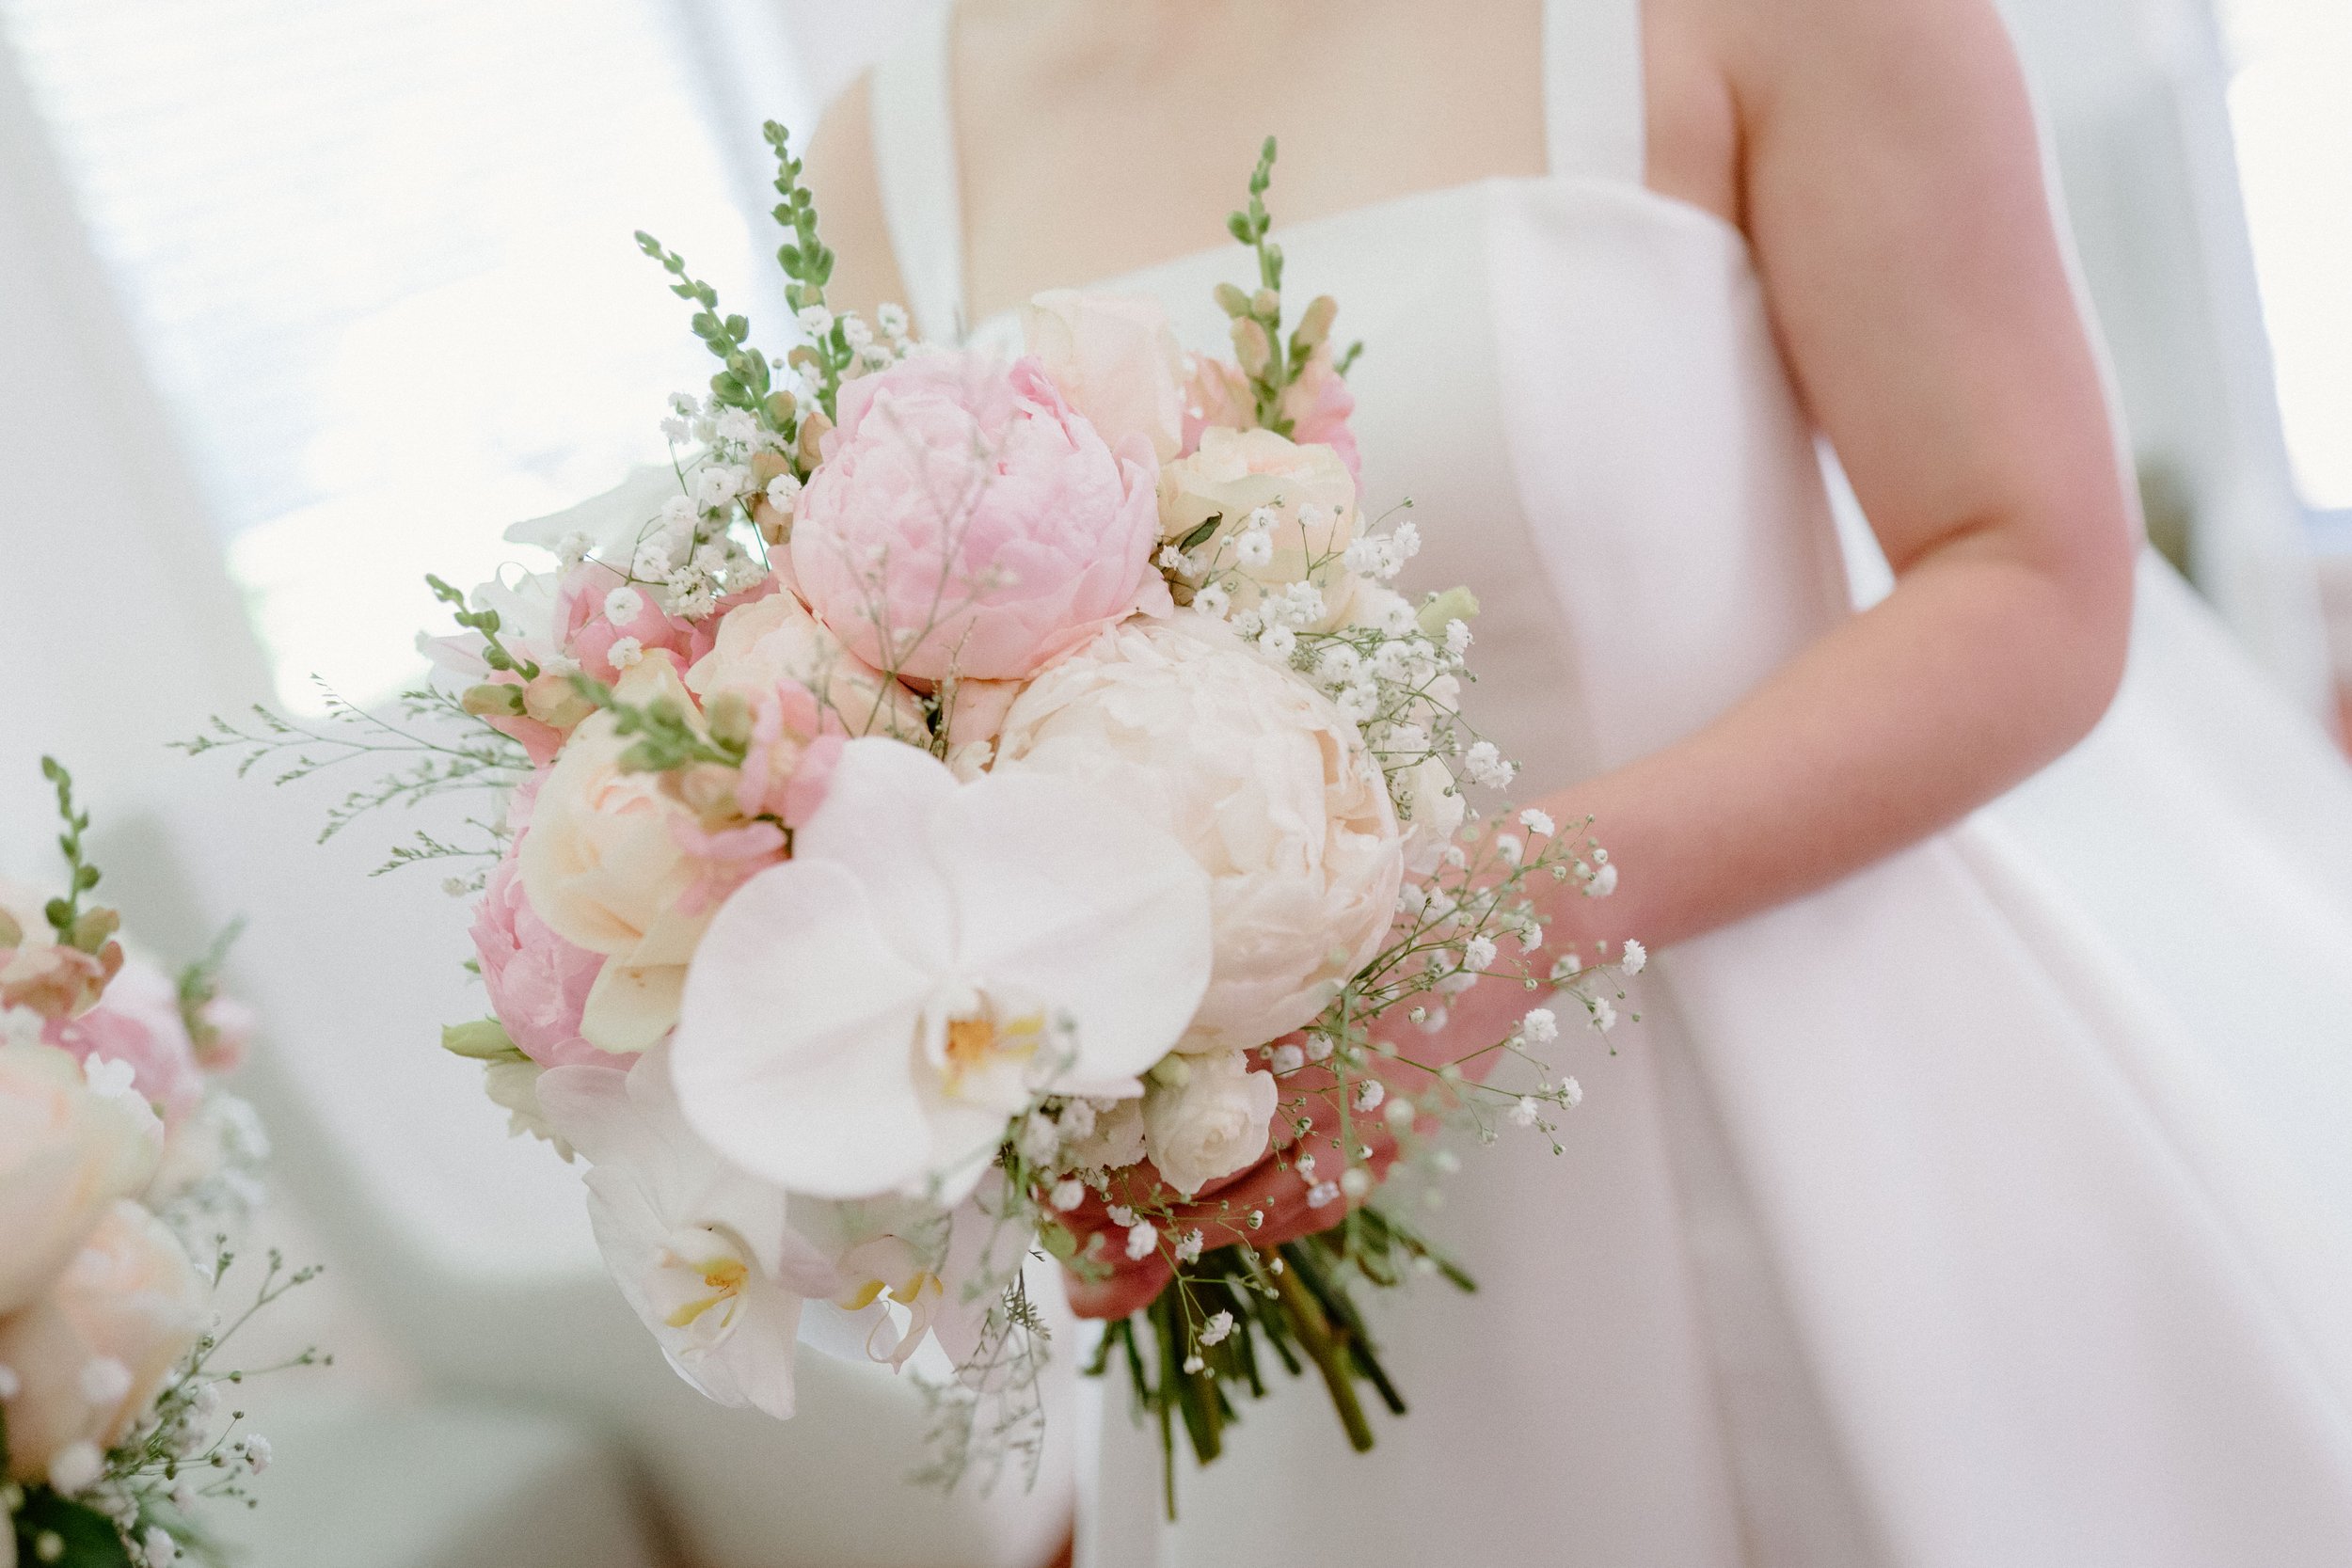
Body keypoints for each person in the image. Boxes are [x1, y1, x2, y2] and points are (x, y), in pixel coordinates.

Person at [807, 0, 2352, 1561]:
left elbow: (2034, 574)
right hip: (1276, 1273)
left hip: (1819, 1139)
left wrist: (1508, 921)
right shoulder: (887, 148)